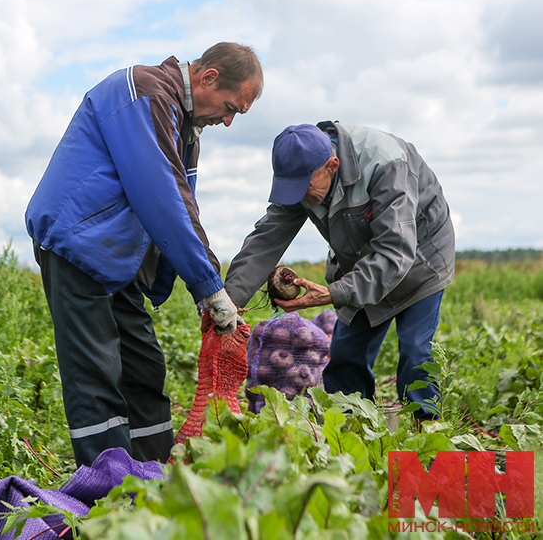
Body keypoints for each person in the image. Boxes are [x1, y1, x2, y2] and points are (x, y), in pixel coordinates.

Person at [25, 43, 263, 467]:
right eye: (230, 108)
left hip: (118, 261)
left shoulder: (185, 128)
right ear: (207, 78)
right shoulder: (143, 93)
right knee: (96, 375)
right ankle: (109, 495)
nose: (227, 121)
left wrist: (193, 288)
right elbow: (160, 197)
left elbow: (184, 206)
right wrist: (209, 286)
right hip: (77, 247)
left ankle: (155, 477)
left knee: (144, 368)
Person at [224, 121, 455, 421]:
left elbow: (395, 253)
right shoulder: (302, 176)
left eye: (305, 188)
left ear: (332, 165)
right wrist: (231, 299)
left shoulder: (385, 165)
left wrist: (333, 293)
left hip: (420, 262)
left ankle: (427, 438)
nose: (300, 197)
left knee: (415, 353)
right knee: (346, 356)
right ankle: (353, 434)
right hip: (360, 264)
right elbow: (267, 238)